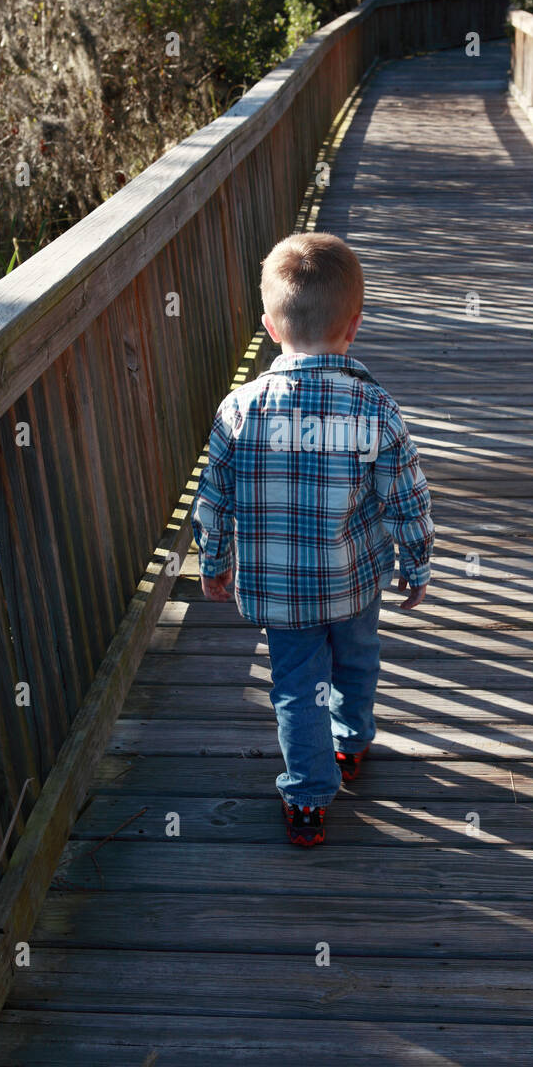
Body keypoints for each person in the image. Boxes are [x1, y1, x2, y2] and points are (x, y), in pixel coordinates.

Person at [191, 232, 434, 846]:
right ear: (353, 325)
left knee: (296, 687)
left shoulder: (239, 411)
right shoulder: (376, 408)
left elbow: (213, 501)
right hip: (353, 580)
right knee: (357, 658)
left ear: (270, 327)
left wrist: (215, 560)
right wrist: (418, 561)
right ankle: (351, 743)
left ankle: (306, 798)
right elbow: (408, 494)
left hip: (281, 593)